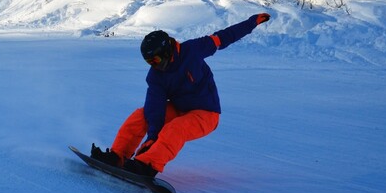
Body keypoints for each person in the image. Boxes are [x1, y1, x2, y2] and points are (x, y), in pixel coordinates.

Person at [91, 13, 271, 179]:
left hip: (206, 114)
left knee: (177, 128)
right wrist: (152, 137)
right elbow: (155, 109)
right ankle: (117, 156)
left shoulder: (192, 50)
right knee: (141, 115)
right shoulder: (155, 76)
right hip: (180, 109)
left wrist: (251, 22)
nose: (154, 65)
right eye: (149, 62)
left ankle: (147, 165)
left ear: (166, 51)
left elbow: (224, 37)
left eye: (155, 60)